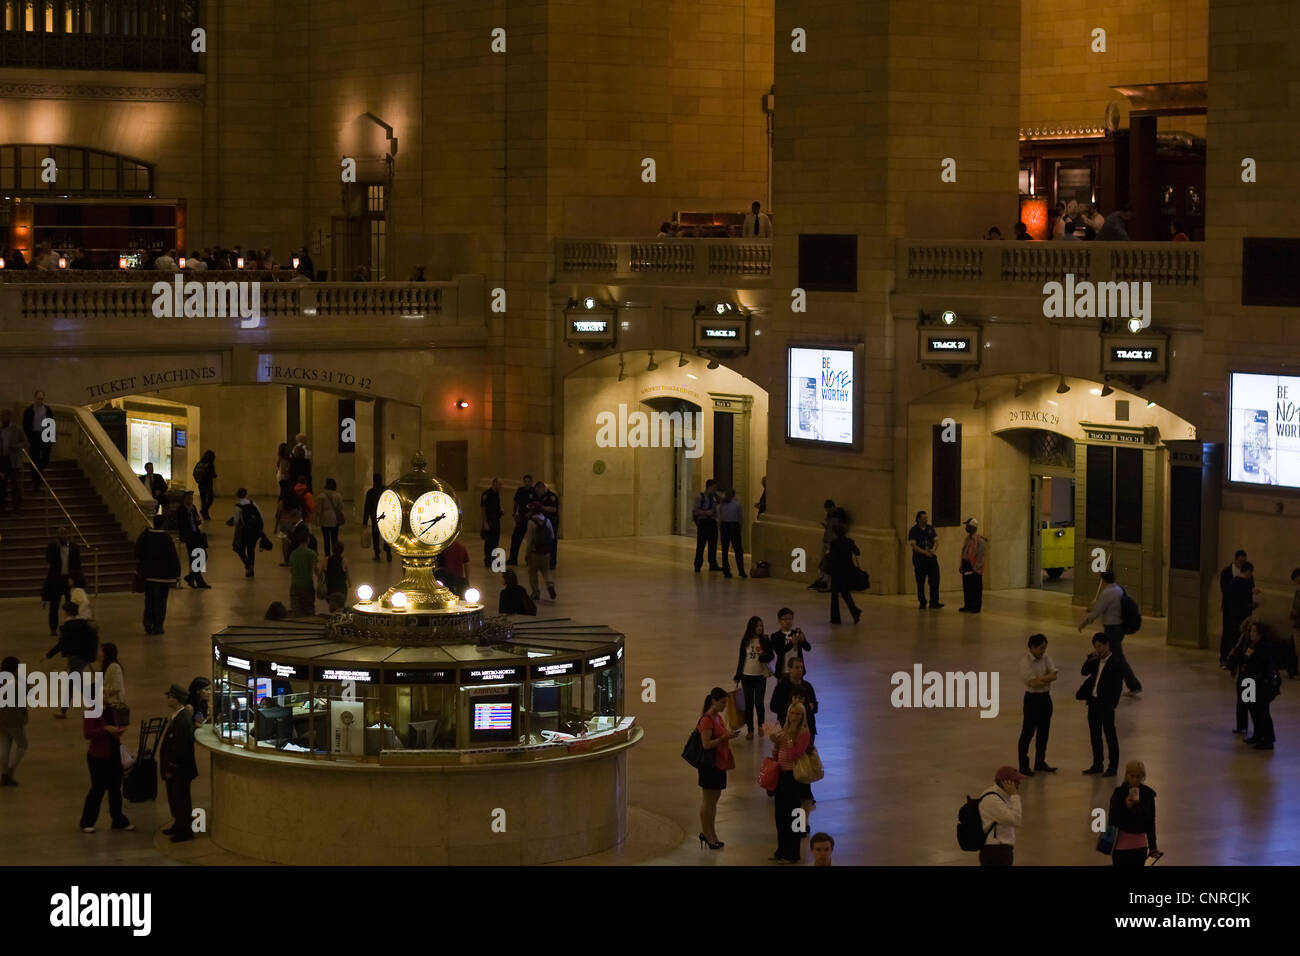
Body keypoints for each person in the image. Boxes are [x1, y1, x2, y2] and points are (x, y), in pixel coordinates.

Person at [1077, 570, 1140, 693]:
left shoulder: (1107, 593)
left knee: (1117, 657)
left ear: (1104, 580)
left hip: (1112, 629)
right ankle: (1109, 681)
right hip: (1120, 628)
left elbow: (1097, 611)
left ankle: (1134, 685)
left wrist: (1084, 623)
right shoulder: (1119, 589)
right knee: (1112, 656)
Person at [696, 687, 739, 850]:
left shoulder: (718, 718)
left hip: (720, 764)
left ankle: (712, 833)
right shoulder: (707, 720)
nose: (724, 706)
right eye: (722, 703)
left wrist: (728, 735)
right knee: (707, 801)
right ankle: (706, 833)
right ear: (713, 701)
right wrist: (724, 738)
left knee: (714, 801)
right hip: (709, 765)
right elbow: (706, 744)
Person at [770, 698, 812, 864]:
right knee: (780, 815)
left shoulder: (803, 732)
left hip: (793, 777)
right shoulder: (783, 729)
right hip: (781, 775)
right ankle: (781, 850)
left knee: (794, 815)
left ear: (802, 716)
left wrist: (785, 740)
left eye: (798, 714)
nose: (794, 717)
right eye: (792, 713)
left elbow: (796, 753)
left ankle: (792, 852)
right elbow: (778, 754)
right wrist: (775, 746)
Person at [79, 707, 132, 833]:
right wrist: (106, 729)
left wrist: (118, 730)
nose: (107, 692)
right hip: (98, 756)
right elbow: (88, 733)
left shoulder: (110, 709)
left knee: (115, 788)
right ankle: (87, 821)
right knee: (98, 788)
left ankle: (118, 820)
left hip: (113, 753)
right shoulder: (91, 711)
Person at [1080, 633, 1123, 776]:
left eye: (1100, 646)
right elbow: (1084, 672)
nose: (1098, 649)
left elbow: (1118, 687)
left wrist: (1112, 704)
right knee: (1095, 735)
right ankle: (1097, 764)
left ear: (1107, 644)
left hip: (1106, 704)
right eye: (1095, 646)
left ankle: (1113, 766)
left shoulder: (1116, 662)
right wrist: (1089, 659)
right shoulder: (1096, 660)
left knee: (1110, 735)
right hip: (1093, 702)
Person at [46, 601, 99, 717]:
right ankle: (65, 710)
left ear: (67, 612)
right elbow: (93, 638)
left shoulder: (68, 626)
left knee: (74, 683)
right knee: (73, 683)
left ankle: (93, 704)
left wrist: (49, 655)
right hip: (83, 657)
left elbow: (62, 643)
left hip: (75, 658)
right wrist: (90, 656)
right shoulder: (84, 623)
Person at [160, 684, 197, 842]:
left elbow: (180, 748)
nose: (167, 699)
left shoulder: (182, 720)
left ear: (175, 699)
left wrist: (172, 767)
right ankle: (178, 824)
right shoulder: (179, 716)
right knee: (176, 799)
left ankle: (185, 831)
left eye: (170, 696)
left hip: (179, 770)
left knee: (181, 800)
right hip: (178, 769)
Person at [1018, 634, 1058, 775]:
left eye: (1045, 648)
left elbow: (1055, 675)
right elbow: (1032, 683)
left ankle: (1040, 762)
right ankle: (1023, 765)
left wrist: (1042, 679)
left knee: (1044, 732)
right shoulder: (1025, 662)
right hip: (1032, 700)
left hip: (1046, 699)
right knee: (1028, 733)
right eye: (1041, 648)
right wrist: (1046, 678)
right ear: (1033, 647)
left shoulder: (1046, 657)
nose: (1043, 651)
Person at [136, 512, 182, 635]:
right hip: (163, 577)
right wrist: (177, 573)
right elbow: (173, 557)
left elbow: (137, 552)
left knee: (149, 600)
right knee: (161, 602)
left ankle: (148, 620)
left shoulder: (145, 535)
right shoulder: (166, 538)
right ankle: (158, 626)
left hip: (148, 575)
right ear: (163, 523)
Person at [1108, 761, 1161, 866]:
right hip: (1121, 848)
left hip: (1140, 848)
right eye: (1132, 776)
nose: (1135, 780)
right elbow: (1112, 820)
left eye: (1138, 777)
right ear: (1127, 776)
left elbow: (1150, 822)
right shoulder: (1118, 794)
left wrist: (1153, 847)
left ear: (1143, 777)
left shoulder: (1148, 795)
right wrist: (1126, 807)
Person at [1237, 621, 1279, 750]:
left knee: (1262, 711)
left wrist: (1248, 661)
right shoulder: (1252, 645)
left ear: (1260, 633)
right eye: (1251, 631)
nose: (1251, 634)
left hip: (1261, 683)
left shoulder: (1264, 647)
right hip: (1249, 682)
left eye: (1254, 631)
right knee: (1253, 709)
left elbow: (1259, 664)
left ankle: (1268, 739)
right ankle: (1257, 734)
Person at [733, 616, 774, 739]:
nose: (759, 628)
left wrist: (763, 657)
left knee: (759, 703)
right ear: (751, 627)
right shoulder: (745, 640)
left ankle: (761, 726)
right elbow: (741, 659)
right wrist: (738, 675)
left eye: (761, 625)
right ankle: (750, 730)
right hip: (747, 676)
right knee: (749, 703)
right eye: (757, 626)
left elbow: (771, 656)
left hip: (760, 676)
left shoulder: (766, 640)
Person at [976, 767, 1023, 866]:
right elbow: (1015, 820)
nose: (1019, 784)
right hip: (996, 851)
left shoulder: (1003, 795)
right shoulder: (992, 799)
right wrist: (1015, 795)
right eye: (1016, 781)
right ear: (1005, 783)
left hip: (1001, 850)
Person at [42, 527, 82, 636]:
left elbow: (77, 564)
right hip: (56, 579)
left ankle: (72, 626)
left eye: (65, 534)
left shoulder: (74, 547)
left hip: (69, 578)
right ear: (58, 536)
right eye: (61, 534)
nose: (63, 536)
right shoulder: (52, 547)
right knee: (54, 604)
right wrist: (56, 548)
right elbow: (49, 559)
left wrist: (74, 578)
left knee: (71, 604)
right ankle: (53, 628)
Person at [770, 656, 818, 741]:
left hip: (806, 728)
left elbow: (815, 707)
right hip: (787, 728)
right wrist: (792, 709)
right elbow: (773, 707)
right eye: (797, 667)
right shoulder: (781, 686)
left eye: (801, 668)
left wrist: (809, 707)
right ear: (790, 669)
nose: (800, 670)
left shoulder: (808, 686)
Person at [1220, 551, 1253, 664]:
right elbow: (1225, 590)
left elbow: (1251, 588)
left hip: (1243, 609)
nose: (1242, 563)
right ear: (1235, 559)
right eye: (1240, 561)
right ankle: (1224, 657)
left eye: (1244, 561)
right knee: (1228, 631)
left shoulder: (1248, 574)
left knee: (1239, 633)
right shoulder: (1227, 571)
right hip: (1230, 607)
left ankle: (1236, 658)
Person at [826, 523, 862, 625]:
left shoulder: (834, 543)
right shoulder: (849, 542)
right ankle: (855, 612)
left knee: (835, 595)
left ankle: (835, 618)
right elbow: (858, 552)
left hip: (837, 572)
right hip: (847, 571)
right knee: (845, 593)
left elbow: (832, 557)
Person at [0, 656, 28, 786]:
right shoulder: (16, 683)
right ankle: (10, 771)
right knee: (22, 745)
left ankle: (3, 773)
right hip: (14, 720)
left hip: (1, 720)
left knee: (5, 746)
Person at [907, 510, 942, 609]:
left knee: (935, 580)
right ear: (918, 519)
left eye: (926, 518)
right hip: (920, 559)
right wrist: (925, 553)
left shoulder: (930, 528)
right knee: (920, 581)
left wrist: (933, 550)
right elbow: (914, 546)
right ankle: (922, 601)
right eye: (923, 518)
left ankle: (934, 601)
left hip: (931, 558)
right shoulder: (913, 531)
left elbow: (936, 540)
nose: (926, 520)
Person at [523, 502, 557, 601]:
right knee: (546, 571)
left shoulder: (531, 522)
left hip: (535, 553)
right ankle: (550, 585)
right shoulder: (547, 521)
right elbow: (552, 536)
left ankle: (535, 593)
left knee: (533, 573)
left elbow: (529, 541)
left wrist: (527, 554)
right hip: (546, 553)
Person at [177, 491, 210, 589]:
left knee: (202, 555)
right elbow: (181, 524)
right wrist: (188, 514)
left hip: (196, 535)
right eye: (188, 499)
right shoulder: (181, 510)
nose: (190, 501)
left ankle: (191, 577)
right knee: (194, 558)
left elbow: (195, 520)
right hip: (188, 537)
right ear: (184, 499)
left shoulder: (193, 508)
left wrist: (197, 522)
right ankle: (198, 580)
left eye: (191, 499)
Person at [228, 487, 264, 577]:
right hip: (255, 531)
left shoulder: (238, 506)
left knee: (239, 549)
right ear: (246, 494)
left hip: (244, 531)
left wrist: (231, 522)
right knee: (251, 549)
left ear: (237, 495)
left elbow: (237, 521)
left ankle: (248, 565)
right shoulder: (253, 503)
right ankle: (251, 567)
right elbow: (261, 516)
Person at [22, 388, 53, 489]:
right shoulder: (29, 410)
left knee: (45, 459)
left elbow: (51, 424)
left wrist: (51, 439)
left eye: (42, 399)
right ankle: (36, 480)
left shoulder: (47, 410)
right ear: (35, 398)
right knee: (34, 458)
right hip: (34, 436)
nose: (40, 400)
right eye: (38, 398)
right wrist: (28, 437)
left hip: (45, 435)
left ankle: (38, 473)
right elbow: (25, 424)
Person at [0, 407, 29, 513]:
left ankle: (16, 507)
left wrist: (17, 446)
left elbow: (26, 443)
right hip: (2, 461)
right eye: (2, 416)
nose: (3, 418)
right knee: (2, 486)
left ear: (10, 417)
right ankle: (2, 507)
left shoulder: (17, 429)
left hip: (14, 461)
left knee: (15, 485)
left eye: (5, 416)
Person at [288, 526, 320, 617]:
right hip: (307, 585)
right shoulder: (311, 553)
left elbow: (291, 570)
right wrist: (320, 579)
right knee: (309, 609)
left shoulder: (293, 554)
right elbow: (316, 569)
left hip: (295, 584)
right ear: (307, 540)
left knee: (296, 610)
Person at [771, 607, 811, 679]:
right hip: (783, 671)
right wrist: (791, 643)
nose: (788, 621)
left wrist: (803, 641)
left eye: (790, 618)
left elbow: (808, 648)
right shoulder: (775, 636)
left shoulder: (797, 633)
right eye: (785, 619)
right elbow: (779, 652)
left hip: (797, 671)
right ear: (779, 620)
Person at [691, 478, 721, 573]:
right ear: (709, 487)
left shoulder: (715, 497)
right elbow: (695, 511)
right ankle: (697, 565)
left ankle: (713, 563)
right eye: (714, 487)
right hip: (703, 523)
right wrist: (706, 512)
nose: (715, 489)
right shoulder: (700, 497)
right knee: (701, 545)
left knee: (713, 545)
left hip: (712, 522)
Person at [957, 518, 986, 613]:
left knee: (976, 588)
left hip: (974, 568)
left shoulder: (980, 541)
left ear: (973, 527)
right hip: (966, 565)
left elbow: (980, 556)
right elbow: (964, 552)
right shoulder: (967, 538)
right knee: (967, 586)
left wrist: (975, 568)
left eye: (967, 526)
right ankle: (968, 605)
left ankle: (976, 606)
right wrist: (961, 565)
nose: (966, 527)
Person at [507, 474, 536, 566]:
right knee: (515, 538)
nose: (527, 483)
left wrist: (530, 513)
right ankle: (513, 559)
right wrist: (514, 513)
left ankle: (530, 560)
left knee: (531, 540)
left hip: (531, 519)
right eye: (525, 481)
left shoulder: (534, 492)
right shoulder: (520, 491)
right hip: (521, 518)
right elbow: (516, 503)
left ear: (531, 482)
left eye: (528, 481)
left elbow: (537, 504)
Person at [716, 487, 746, 578]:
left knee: (725, 550)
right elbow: (740, 518)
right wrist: (739, 528)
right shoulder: (737, 504)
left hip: (725, 526)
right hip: (734, 526)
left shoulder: (722, 504)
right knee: (738, 550)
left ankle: (726, 570)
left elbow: (719, 517)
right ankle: (741, 570)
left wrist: (720, 527)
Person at [362, 473, 392, 562]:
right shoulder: (386, 490)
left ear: (374, 481)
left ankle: (377, 553)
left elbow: (367, 507)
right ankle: (387, 547)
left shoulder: (370, 492)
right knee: (386, 534)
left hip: (375, 516)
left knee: (375, 535)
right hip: (385, 515)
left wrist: (365, 521)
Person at [810, 499, 839, 591]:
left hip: (832, 541)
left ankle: (825, 582)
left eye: (829, 510)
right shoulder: (829, 515)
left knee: (828, 562)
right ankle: (820, 579)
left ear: (833, 507)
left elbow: (837, 528)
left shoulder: (838, 515)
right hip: (826, 540)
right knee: (822, 561)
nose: (828, 512)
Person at [534, 480, 560, 568]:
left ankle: (552, 562)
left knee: (552, 541)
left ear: (543, 488)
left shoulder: (552, 496)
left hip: (552, 521)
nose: (538, 492)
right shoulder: (542, 497)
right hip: (544, 521)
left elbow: (553, 509)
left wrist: (541, 507)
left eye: (538, 490)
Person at [317, 477, 345, 557]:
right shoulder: (338, 495)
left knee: (326, 538)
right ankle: (335, 553)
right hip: (334, 517)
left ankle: (327, 554)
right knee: (334, 537)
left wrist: (317, 518)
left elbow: (319, 509)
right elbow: (341, 507)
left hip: (325, 518)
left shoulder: (321, 496)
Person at [480, 477, 503, 567]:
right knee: (489, 542)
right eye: (500, 484)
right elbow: (483, 508)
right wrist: (485, 522)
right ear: (494, 484)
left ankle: (493, 559)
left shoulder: (496, 494)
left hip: (496, 520)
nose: (501, 486)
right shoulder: (487, 494)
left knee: (495, 541)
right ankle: (488, 560)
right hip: (489, 521)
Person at [192, 449, 217, 519]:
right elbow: (212, 474)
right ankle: (204, 511)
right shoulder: (210, 464)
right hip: (208, 484)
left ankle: (205, 513)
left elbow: (194, 472)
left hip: (200, 484)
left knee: (203, 499)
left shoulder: (200, 463)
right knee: (210, 499)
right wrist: (215, 476)